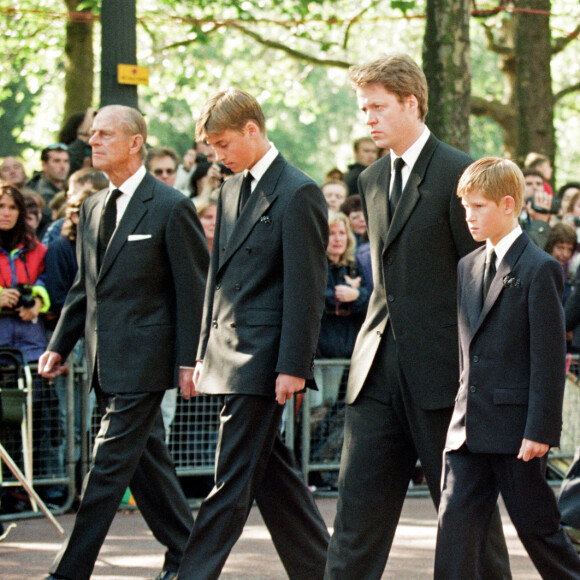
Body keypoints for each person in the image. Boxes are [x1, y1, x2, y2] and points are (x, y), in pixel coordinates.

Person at [325, 54, 511, 579]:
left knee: (469, 524)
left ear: (412, 103)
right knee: (354, 525)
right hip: (376, 375)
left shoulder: (460, 174)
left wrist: (482, 382)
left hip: (445, 380)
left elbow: (487, 282)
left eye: (378, 107)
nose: (369, 119)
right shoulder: (370, 179)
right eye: (363, 108)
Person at [37, 104, 209, 580]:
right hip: (102, 362)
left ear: (136, 142)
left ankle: (68, 571)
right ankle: (186, 553)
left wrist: (190, 360)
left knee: (107, 465)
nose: (93, 142)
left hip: (146, 363)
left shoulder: (172, 205)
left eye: (105, 134)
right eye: (92, 134)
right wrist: (60, 343)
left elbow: (192, 290)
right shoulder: (92, 206)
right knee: (145, 464)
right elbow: (83, 288)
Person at [178, 87, 330, 580]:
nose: (217, 157)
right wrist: (202, 351)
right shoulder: (227, 190)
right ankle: (324, 571)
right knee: (274, 480)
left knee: (230, 482)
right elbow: (215, 279)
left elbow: (306, 289)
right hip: (228, 353)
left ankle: (192, 574)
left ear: (252, 130)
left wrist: (294, 367)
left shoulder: (299, 190)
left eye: (222, 144)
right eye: (211, 148)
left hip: (264, 361)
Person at [434, 156, 580, 579]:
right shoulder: (466, 267)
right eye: (465, 207)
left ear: (508, 204)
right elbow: (467, 351)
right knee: (454, 533)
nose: (469, 216)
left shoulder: (541, 268)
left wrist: (540, 430)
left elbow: (550, 358)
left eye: (478, 206)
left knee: (541, 534)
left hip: (517, 433)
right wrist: (457, 418)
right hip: (467, 432)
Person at [315, 211, 370, 402]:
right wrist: (344, 295)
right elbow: (317, 298)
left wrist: (355, 295)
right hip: (318, 352)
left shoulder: (354, 266)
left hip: (344, 352)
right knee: (313, 410)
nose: (337, 238)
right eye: (331, 233)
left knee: (330, 406)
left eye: (342, 233)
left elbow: (371, 299)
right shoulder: (315, 265)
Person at [544, 222, 577, 304]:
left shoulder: (568, 273)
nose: (565, 254)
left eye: (569, 249)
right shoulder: (542, 270)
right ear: (551, 246)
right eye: (560, 248)